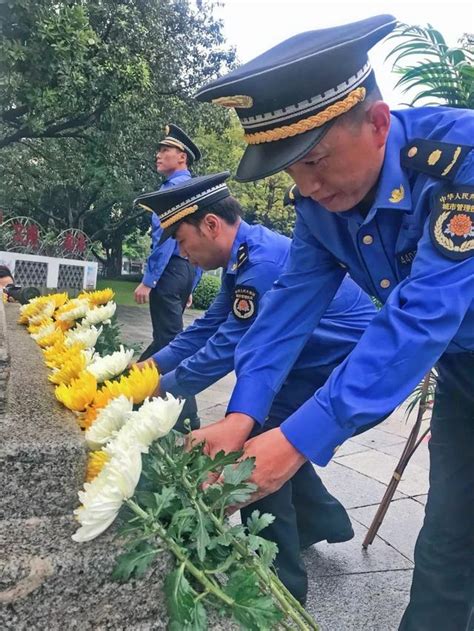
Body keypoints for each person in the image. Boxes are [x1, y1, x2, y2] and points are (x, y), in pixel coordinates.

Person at [194, 14, 474, 630]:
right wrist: (243, 414)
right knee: (448, 542)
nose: (308, 186)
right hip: (463, 373)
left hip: (442, 340)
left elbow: (421, 314)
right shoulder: (324, 203)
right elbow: (287, 309)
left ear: (377, 124)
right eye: (292, 172)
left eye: (316, 161)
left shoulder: (460, 164)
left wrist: (296, 440)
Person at [135, 171, 378, 603]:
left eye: (182, 240)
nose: (183, 255)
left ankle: (278, 589)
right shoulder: (243, 258)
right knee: (273, 439)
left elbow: (227, 348)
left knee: (251, 458)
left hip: (337, 363)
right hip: (304, 358)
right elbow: (206, 330)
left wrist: (156, 392)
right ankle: (325, 522)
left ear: (211, 224)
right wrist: (145, 374)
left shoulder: (260, 264)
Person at [134, 124, 202, 428]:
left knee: (169, 343)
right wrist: (192, 284)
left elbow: (164, 239)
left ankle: (186, 415)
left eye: (165, 150)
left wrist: (149, 279)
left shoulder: (172, 191)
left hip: (170, 270)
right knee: (168, 339)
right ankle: (136, 389)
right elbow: (200, 242)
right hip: (185, 270)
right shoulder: (193, 188)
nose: (157, 155)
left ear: (182, 157)